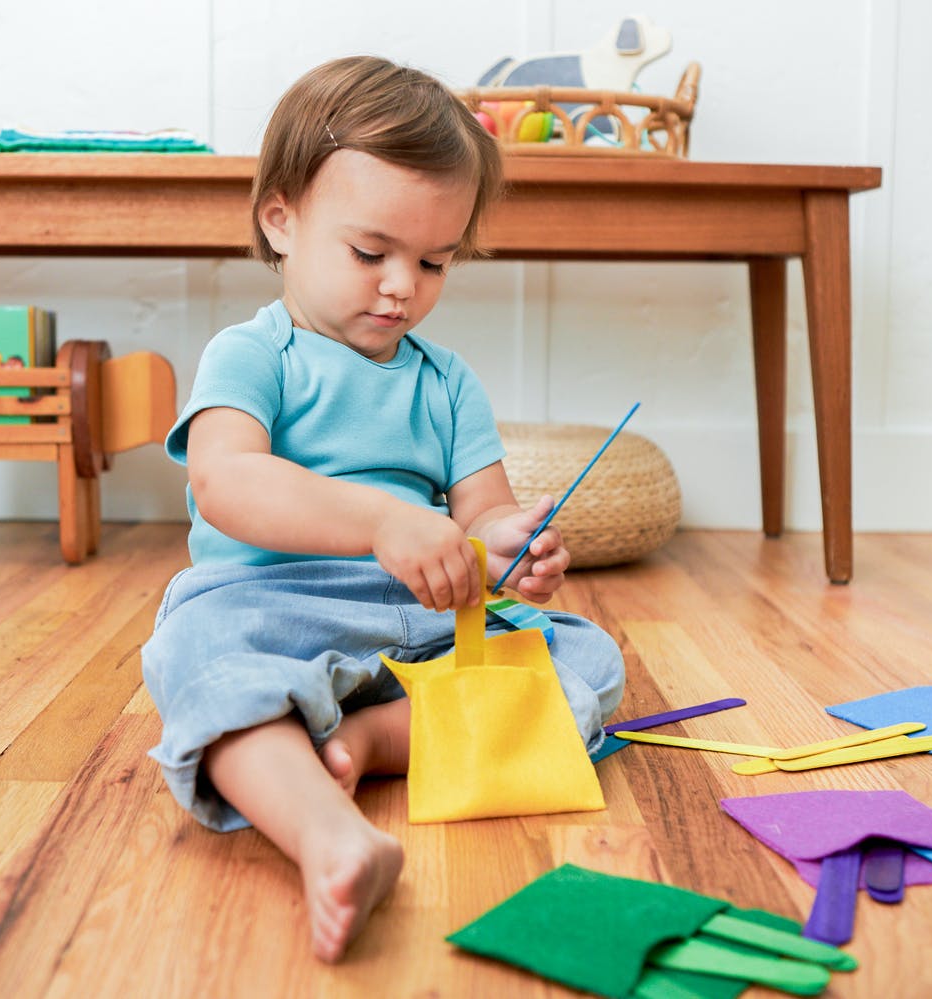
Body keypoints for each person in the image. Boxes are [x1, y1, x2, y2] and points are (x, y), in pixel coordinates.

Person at [140, 55, 625, 964]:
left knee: (588, 661)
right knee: (200, 666)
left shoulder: (447, 383)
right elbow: (226, 481)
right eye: (372, 254)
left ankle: (362, 736)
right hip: (265, 607)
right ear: (280, 220)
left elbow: (482, 514)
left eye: (435, 261)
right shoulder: (253, 355)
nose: (403, 284)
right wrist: (379, 522)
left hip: (419, 619)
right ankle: (329, 834)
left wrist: (510, 545)